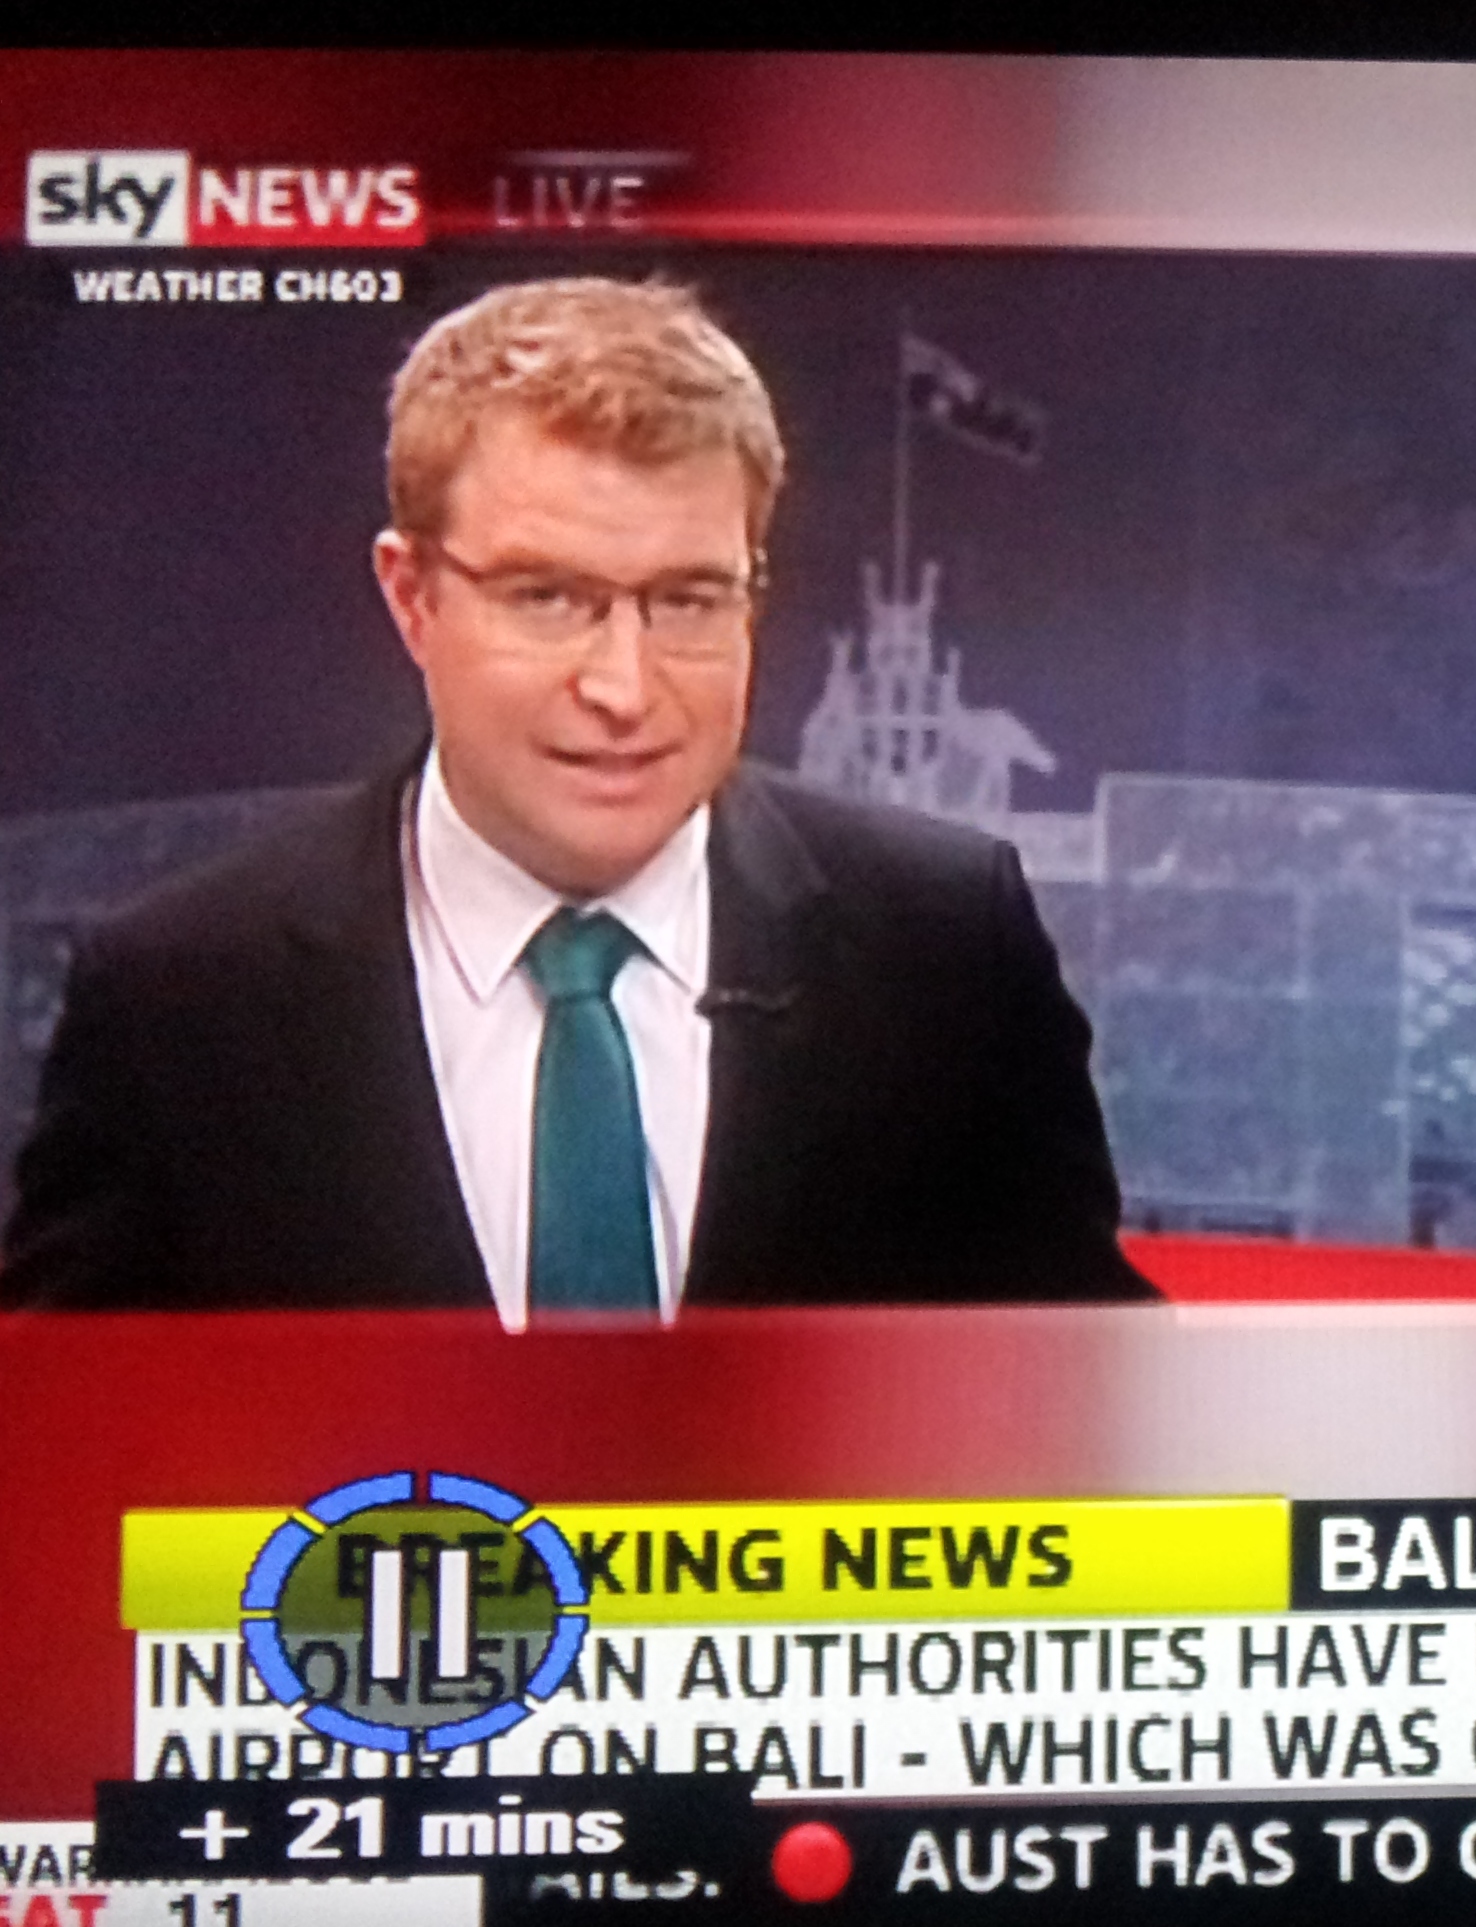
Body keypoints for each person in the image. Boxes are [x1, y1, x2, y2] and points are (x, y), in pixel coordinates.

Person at [1, 277, 1156, 1318]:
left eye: (688, 600)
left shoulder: (947, 952)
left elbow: (1091, 1423)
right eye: (547, 598)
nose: (623, 688)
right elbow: (61, 1442)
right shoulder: (181, 998)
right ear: (412, 597)